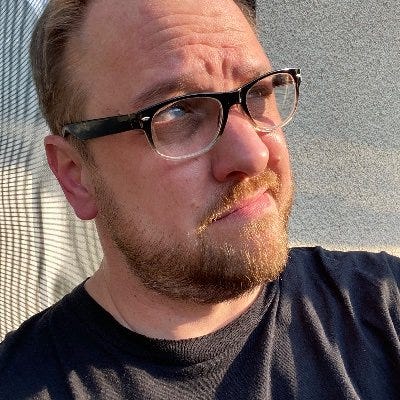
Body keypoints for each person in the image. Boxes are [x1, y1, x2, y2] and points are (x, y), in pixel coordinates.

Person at [0, 0, 399, 398]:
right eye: (176, 112)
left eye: (258, 92)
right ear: (76, 175)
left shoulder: (384, 306)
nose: (255, 155)